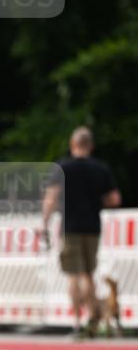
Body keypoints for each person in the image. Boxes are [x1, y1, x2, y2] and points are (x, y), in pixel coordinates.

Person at [42, 126, 121, 337]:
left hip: (70, 227)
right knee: (89, 274)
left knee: (73, 275)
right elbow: (114, 199)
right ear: (91, 146)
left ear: (72, 144)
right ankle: (92, 320)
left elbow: (51, 197)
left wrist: (44, 222)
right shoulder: (100, 168)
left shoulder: (63, 167)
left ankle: (77, 322)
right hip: (92, 227)